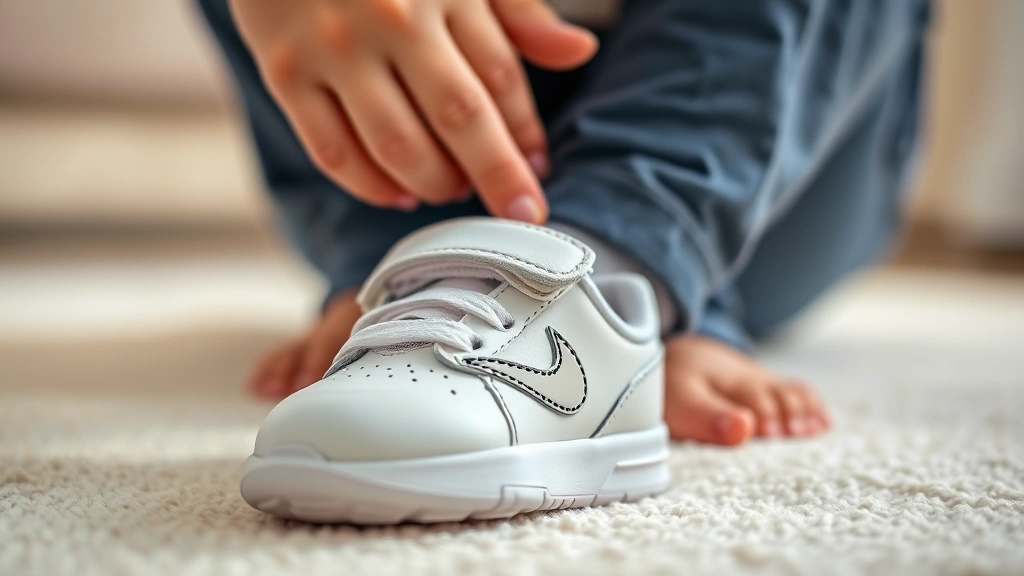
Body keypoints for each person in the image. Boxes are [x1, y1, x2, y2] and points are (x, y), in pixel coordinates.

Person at [197, 0, 929, 446]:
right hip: (397, 194)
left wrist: (641, 223)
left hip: (779, 186)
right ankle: (427, 266)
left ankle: (623, 271)